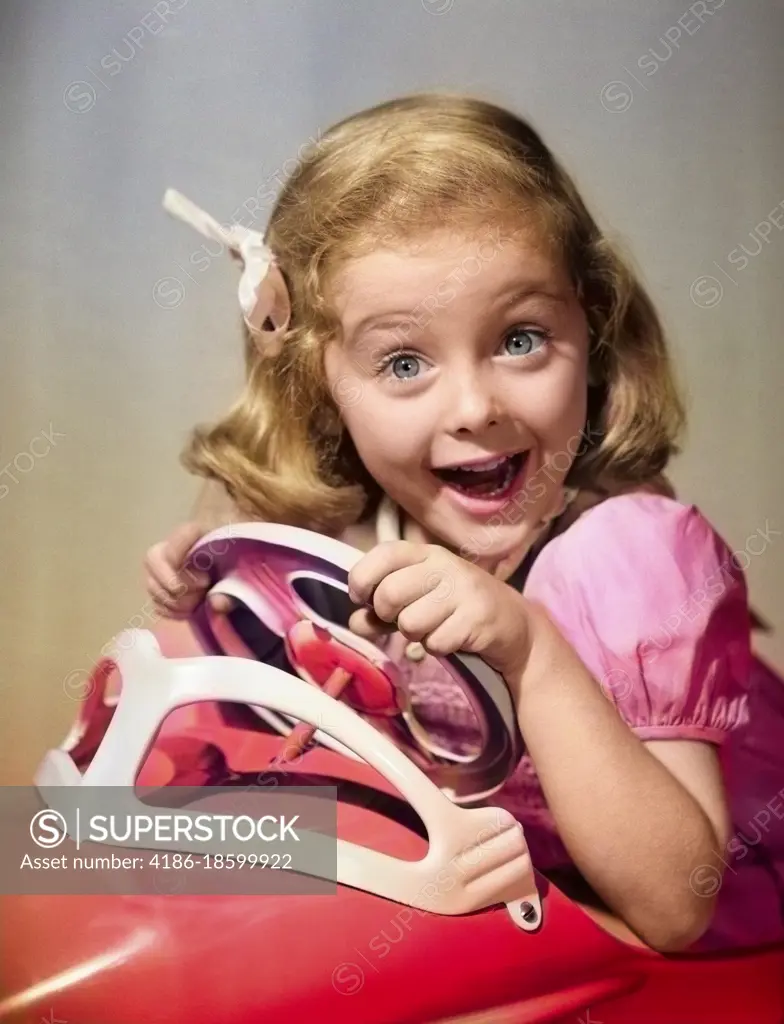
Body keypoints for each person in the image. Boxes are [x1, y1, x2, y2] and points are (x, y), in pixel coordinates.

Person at [144, 93, 784, 953]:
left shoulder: (632, 556)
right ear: (321, 387)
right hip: (535, 930)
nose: (476, 407)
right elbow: (296, 748)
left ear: (589, 331)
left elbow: (677, 906)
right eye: (405, 362)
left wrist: (532, 652)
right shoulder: (381, 553)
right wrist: (208, 600)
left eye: (520, 339)